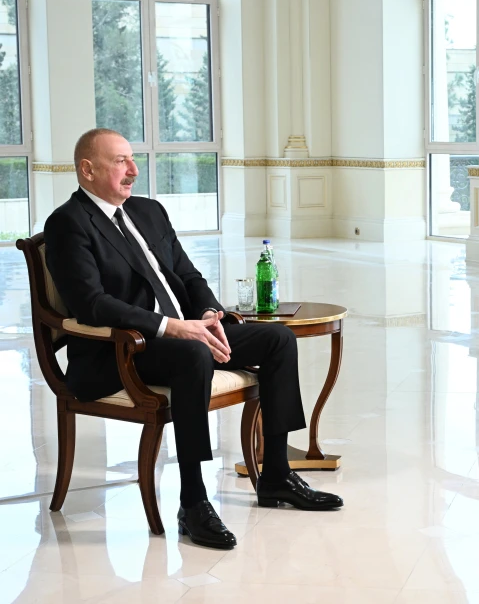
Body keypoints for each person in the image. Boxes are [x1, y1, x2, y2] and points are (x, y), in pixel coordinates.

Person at [44, 128, 343, 550]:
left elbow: (188, 275)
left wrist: (207, 315)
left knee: (277, 339)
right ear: (87, 170)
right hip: (119, 351)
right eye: (120, 161)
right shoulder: (68, 223)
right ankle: (194, 502)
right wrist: (172, 326)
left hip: (185, 333)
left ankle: (276, 475)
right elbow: (91, 304)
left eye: (132, 159)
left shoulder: (149, 211)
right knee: (192, 355)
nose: (133, 170)